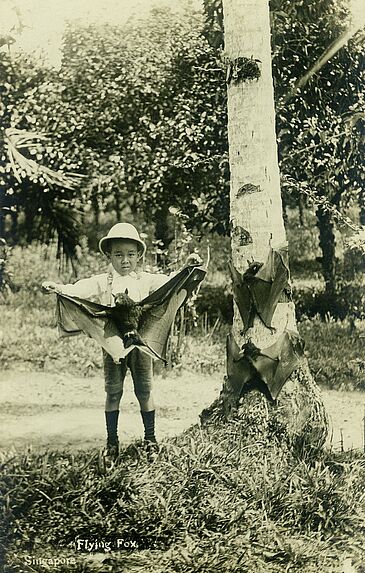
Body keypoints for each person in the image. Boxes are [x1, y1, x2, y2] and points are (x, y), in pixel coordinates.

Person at [42, 222, 201, 460]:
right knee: (113, 392)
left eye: (130, 254)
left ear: (138, 256)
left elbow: (169, 282)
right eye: (118, 254)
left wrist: (187, 268)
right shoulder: (103, 281)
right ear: (109, 255)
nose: (124, 260)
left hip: (141, 341)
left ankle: (150, 440)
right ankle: (112, 443)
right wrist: (59, 288)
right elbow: (80, 290)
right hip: (113, 342)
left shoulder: (145, 280)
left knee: (144, 391)